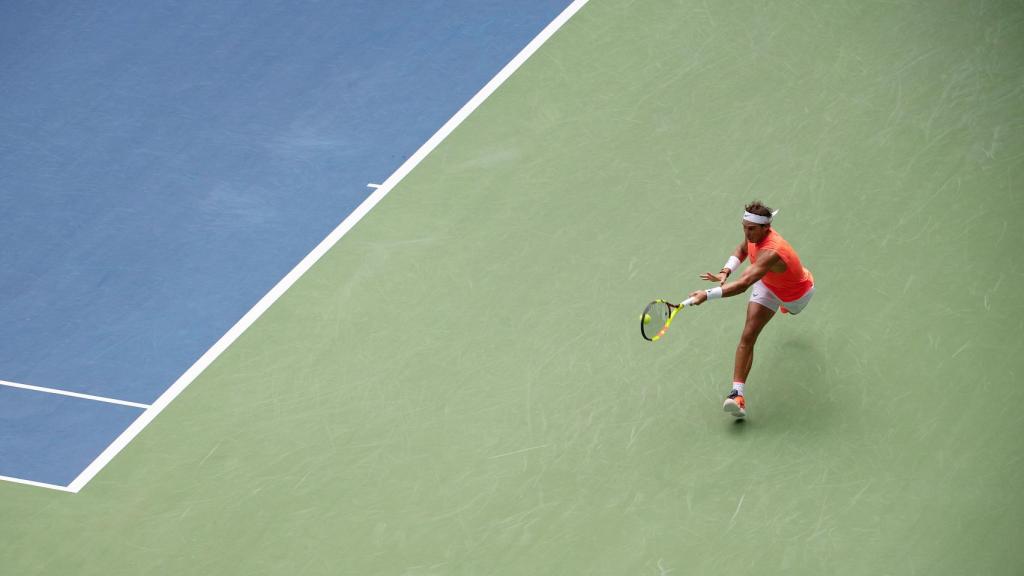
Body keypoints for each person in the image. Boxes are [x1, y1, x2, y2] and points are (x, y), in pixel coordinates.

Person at [687, 201, 815, 419]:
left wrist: (706, 295)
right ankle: (737, 394)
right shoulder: (753, 234)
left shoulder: (773, 251)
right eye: (744, 227)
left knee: (791, 311)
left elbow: (743, 284)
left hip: (796, 295)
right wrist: (725, 271)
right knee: (748, 333)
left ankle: (786, 308)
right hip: (767, 285)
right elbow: (742, 248)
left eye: (751, 229)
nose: (747, 233)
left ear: (766, 228)